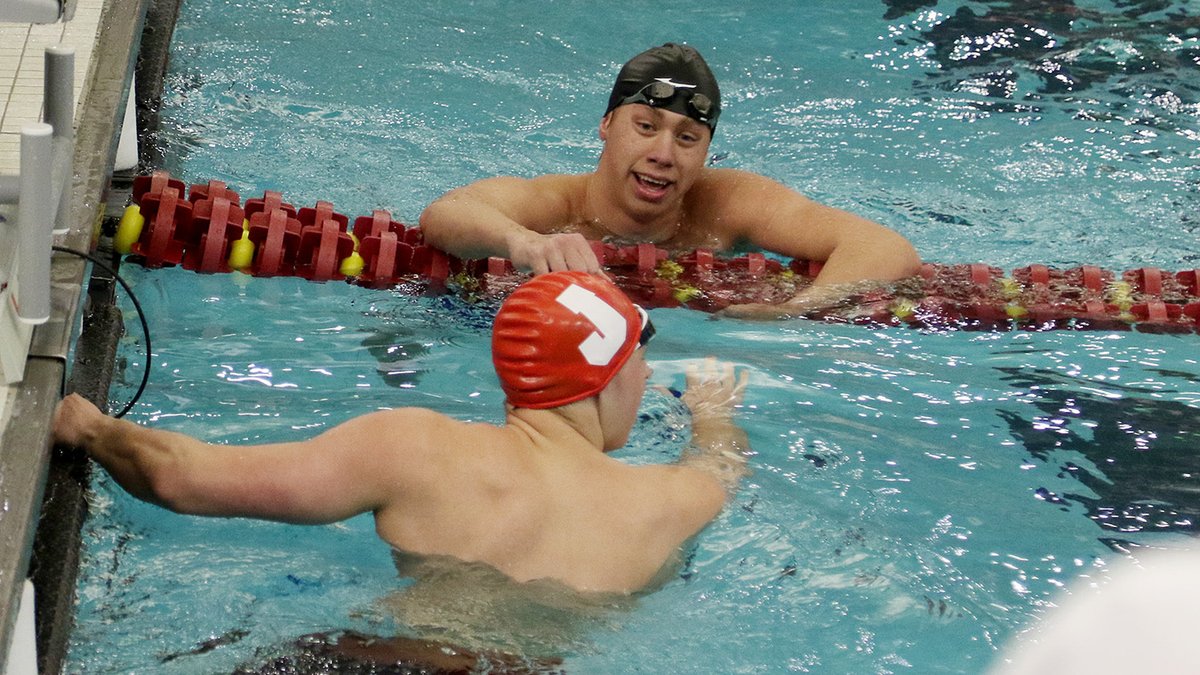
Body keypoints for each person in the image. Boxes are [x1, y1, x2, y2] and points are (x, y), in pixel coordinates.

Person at [52, 271, 751, 595]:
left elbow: (181, 478)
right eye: (640, 358)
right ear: (607, 376)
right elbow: (720, 465)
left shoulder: (418, 448)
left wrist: (91, 427)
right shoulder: (664, 502)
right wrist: (713, 410)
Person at [419, 42, 922, 320]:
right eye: (645, 127)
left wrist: (794, 313)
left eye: (687, 138)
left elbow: (883, 247)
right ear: (606, 124)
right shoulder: (559, 205)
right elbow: (447, 214)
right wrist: (521, 242)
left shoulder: (726, 204)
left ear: (706, 152)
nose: (663, 154)